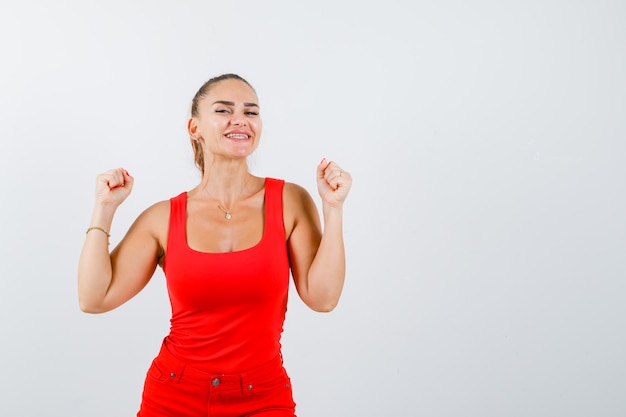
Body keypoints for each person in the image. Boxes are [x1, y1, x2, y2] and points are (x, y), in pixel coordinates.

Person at [77, 73, 352, 417]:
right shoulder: (163, 218)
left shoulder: (291, 201)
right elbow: (94, 298)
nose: (240, 120)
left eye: (251, 112)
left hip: (263, 396)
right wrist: (103, 209)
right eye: (224, 110)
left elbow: (323, 298)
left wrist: (333, 209)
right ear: (195, 128)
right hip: (174, 394)